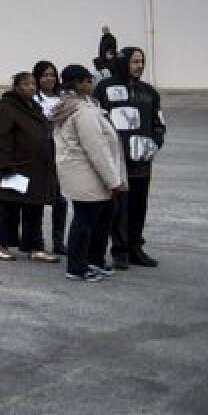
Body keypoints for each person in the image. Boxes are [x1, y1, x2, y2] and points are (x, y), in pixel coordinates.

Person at [53, 64, 128, 282]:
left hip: (89, 173)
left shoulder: (84, 105)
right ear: (78, 84)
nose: (91, 84)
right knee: (85, 221)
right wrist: (113, 180)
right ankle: (76, 267)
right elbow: (96, 148)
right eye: (87, 81)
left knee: (105, 215)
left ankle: (94, 259)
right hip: (86, 173)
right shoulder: (82, 112)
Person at [95, 47, 165, 270]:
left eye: (142, 61)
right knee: (118, 207)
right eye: (135, 61)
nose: (139, 65)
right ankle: (120, 250)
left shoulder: (149, 92)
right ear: (124, 62)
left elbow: (158, 122)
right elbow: (98, 121)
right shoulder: (105, 89)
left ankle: (136, 247)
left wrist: (154, 143)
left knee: (138, 206)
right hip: (117, 161)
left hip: (142, 162)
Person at [0, 71, 58, 262]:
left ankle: (34, 247)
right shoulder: (7, 108)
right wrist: (6, 165)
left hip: (36, 168)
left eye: (33, 84)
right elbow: (0, 139)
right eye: (26, 84)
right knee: (9, 208)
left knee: (35, 208)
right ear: (16, 87)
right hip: (15, 168)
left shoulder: (34, 107)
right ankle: (2, 245)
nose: (31, 88)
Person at [33, 60, 69, 254]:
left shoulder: (62, 98)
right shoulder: (34, 100)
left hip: (60, 151)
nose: (50, 79)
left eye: (52, 75)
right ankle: (36, 240)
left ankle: (58, 241)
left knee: (60, 200)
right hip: (41, 154)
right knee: (38, 199)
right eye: (45, 75)